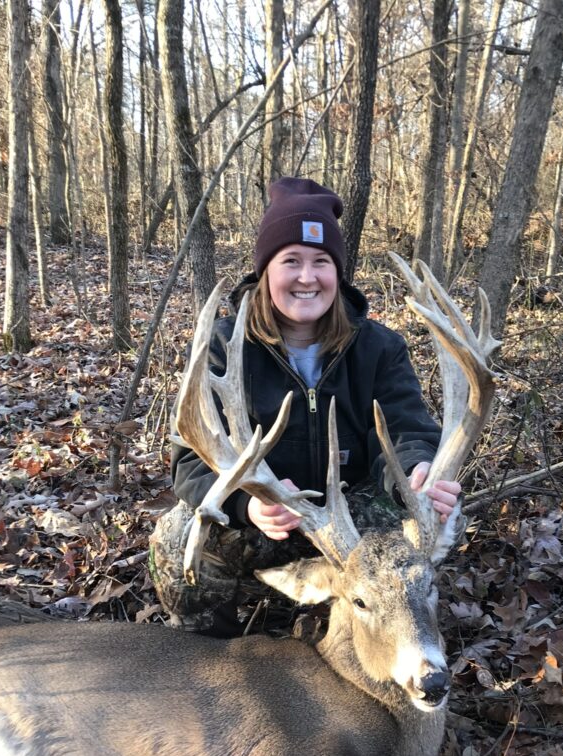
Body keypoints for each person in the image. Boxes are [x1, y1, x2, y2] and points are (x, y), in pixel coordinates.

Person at [149, 177, 461, 636]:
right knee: (179, 537)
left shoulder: (379, 348)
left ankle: (386, 639)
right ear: (266, 271)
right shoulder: (222, 346)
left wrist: (415, 473)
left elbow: (407, 429)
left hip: (353, 521)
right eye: (290, 261)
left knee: (435, 518)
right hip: (269, 515)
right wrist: (246, 503)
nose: (307, 277)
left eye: (321, 262)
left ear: (338, 272)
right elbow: (190, 459)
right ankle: (209, 657)